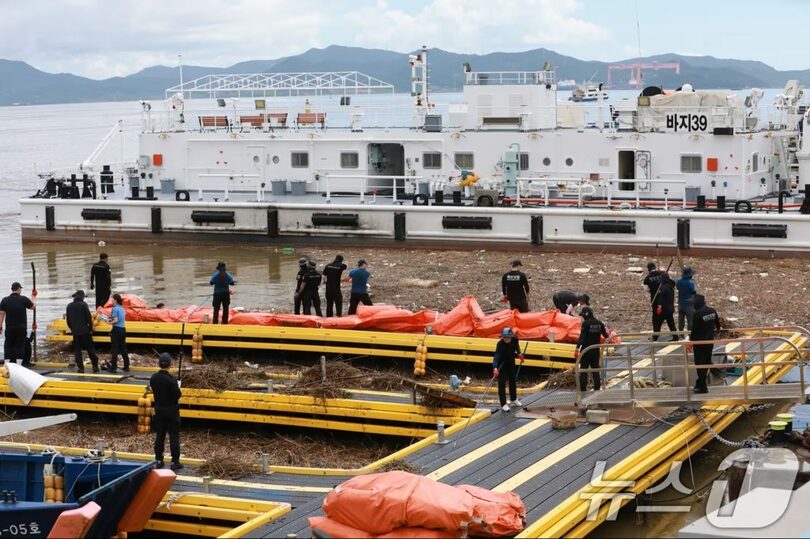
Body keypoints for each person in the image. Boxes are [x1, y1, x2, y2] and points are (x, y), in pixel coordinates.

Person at [149, 353, 183, 471]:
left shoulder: (153, 378)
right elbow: (177, 396)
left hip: (159, 411)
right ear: (169, 365)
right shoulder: (171, 380)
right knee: (174, 437)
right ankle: (175, 462)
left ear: (159, 364)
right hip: (172, 412)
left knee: (160, 436)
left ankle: (159, 460)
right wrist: (178, 386)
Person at [690, 295, 721, 394]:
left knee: (700, 365)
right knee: (707, 362)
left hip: (699, 343)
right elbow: (718, 324)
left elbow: (694, 331)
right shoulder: (712, 310)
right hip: (709, 342)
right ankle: (700, 382)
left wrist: (690, 343)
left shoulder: (697, 314)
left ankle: (703, 387)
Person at [0, 282, 35, 366]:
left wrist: (0, 326)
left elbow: (1, 314)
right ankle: (19, 365)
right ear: (19, 289)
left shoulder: (5, 300)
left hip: (9, 328)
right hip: (21, 328)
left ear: (12, 289)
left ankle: (6, 365)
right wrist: (33, 296)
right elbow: (33, 307)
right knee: (20, 346)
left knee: (8, 345)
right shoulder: (23, 299)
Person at [575, 307, 609, 392]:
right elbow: (606, 335)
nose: (582, 317)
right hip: (595, 351)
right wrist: (610, 335)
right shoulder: (599, 323)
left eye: (583, 315)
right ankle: (597, 388)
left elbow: (582, 337)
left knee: (584, 371)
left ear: (586, 314)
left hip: (585, 351)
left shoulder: (586, 324)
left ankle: (583, 390)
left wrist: (577, 348)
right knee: (595, 370)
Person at [66, 290, 99, 373]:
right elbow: (89, 319)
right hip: (85, 331)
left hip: (75, 332)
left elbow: (68, 321)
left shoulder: (69, 306)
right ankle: (95, 366)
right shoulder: (84, 305)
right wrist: (91, 329)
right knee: (90, 349)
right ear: (82, 297)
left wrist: (73, 328)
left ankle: (81, 368)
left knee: (77, 351)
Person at [492, 327, 524, 412]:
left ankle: (514, 399)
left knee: (513, 380)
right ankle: (503, 404)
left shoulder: (514, 340)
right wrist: (495, 368)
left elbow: (517, 348)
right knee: (502, 383)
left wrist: (519, 354)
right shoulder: (500, 344)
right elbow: (496, 357)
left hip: (511, 362)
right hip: (501, 365)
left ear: (511, 336)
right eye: (504, 337)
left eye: (507, 337)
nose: (506, 339)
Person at [102, 293, 129, 373]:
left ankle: (113, 368)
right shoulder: (122, 308)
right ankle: (126, 366)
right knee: (123, 348)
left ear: (115, 300)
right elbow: (120, 319)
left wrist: (108, 322)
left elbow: (116, 320)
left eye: (112, 299)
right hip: (123, 329)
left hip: (116, 330)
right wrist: (111, 318)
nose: (111, 301)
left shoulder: (114, 309)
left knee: (115, 349)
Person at [652, 274, 677, 341]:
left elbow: (660, 297)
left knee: (657, 322)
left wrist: (659, 306)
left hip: (664, 309)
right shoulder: (671, 287)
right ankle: (675, 337)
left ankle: (655, 337)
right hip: (670, 308)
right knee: (671, 323)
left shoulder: (663, 288)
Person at [676, 267, 697, 333]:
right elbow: (694, 292)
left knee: (681, 321)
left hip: (680, 304)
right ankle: (690, 335)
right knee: (690, 320)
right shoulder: (691, 282)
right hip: (689, 304)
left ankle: (681, 334)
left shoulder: (678, 281)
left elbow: (677, 288)